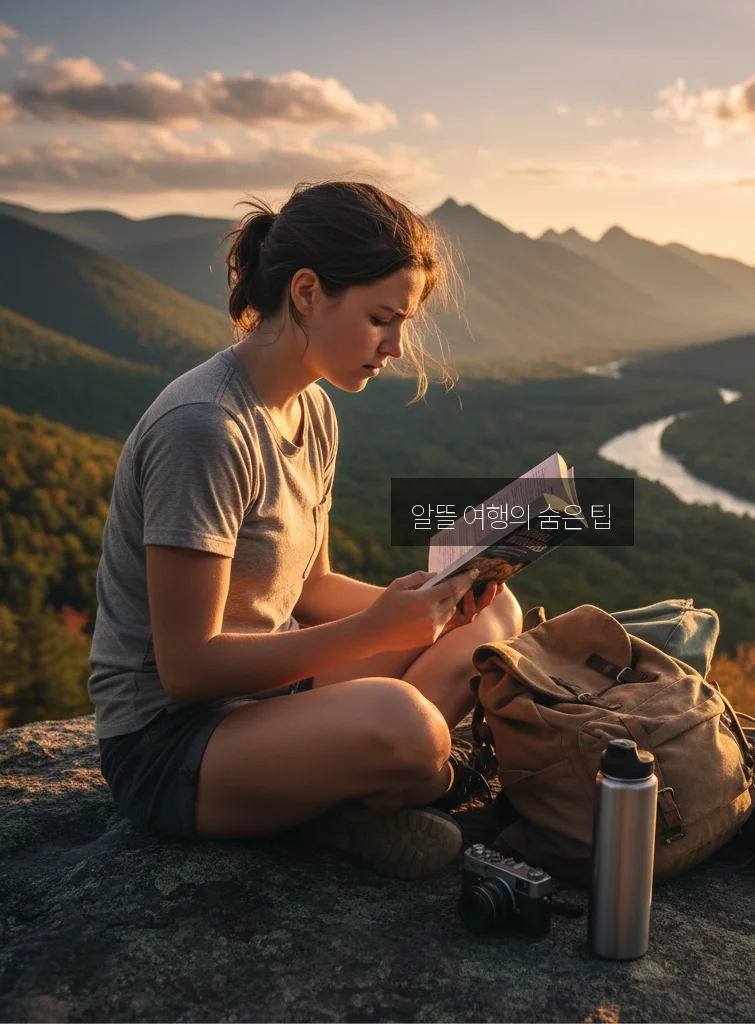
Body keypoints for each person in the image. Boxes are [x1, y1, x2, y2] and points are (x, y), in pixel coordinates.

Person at [87, 180, 524, 880]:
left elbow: (311, 587)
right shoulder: (204, 428)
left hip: (273, 696)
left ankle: (339, 796)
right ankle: (365, 792)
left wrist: (429, 604)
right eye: (381, 318)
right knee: (410, 728)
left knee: (494, 618)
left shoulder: (311, 410)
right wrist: (376, 631)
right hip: (174, 744)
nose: (396, 347)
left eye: (403, 323)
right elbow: (188, 669)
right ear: (308, 292)